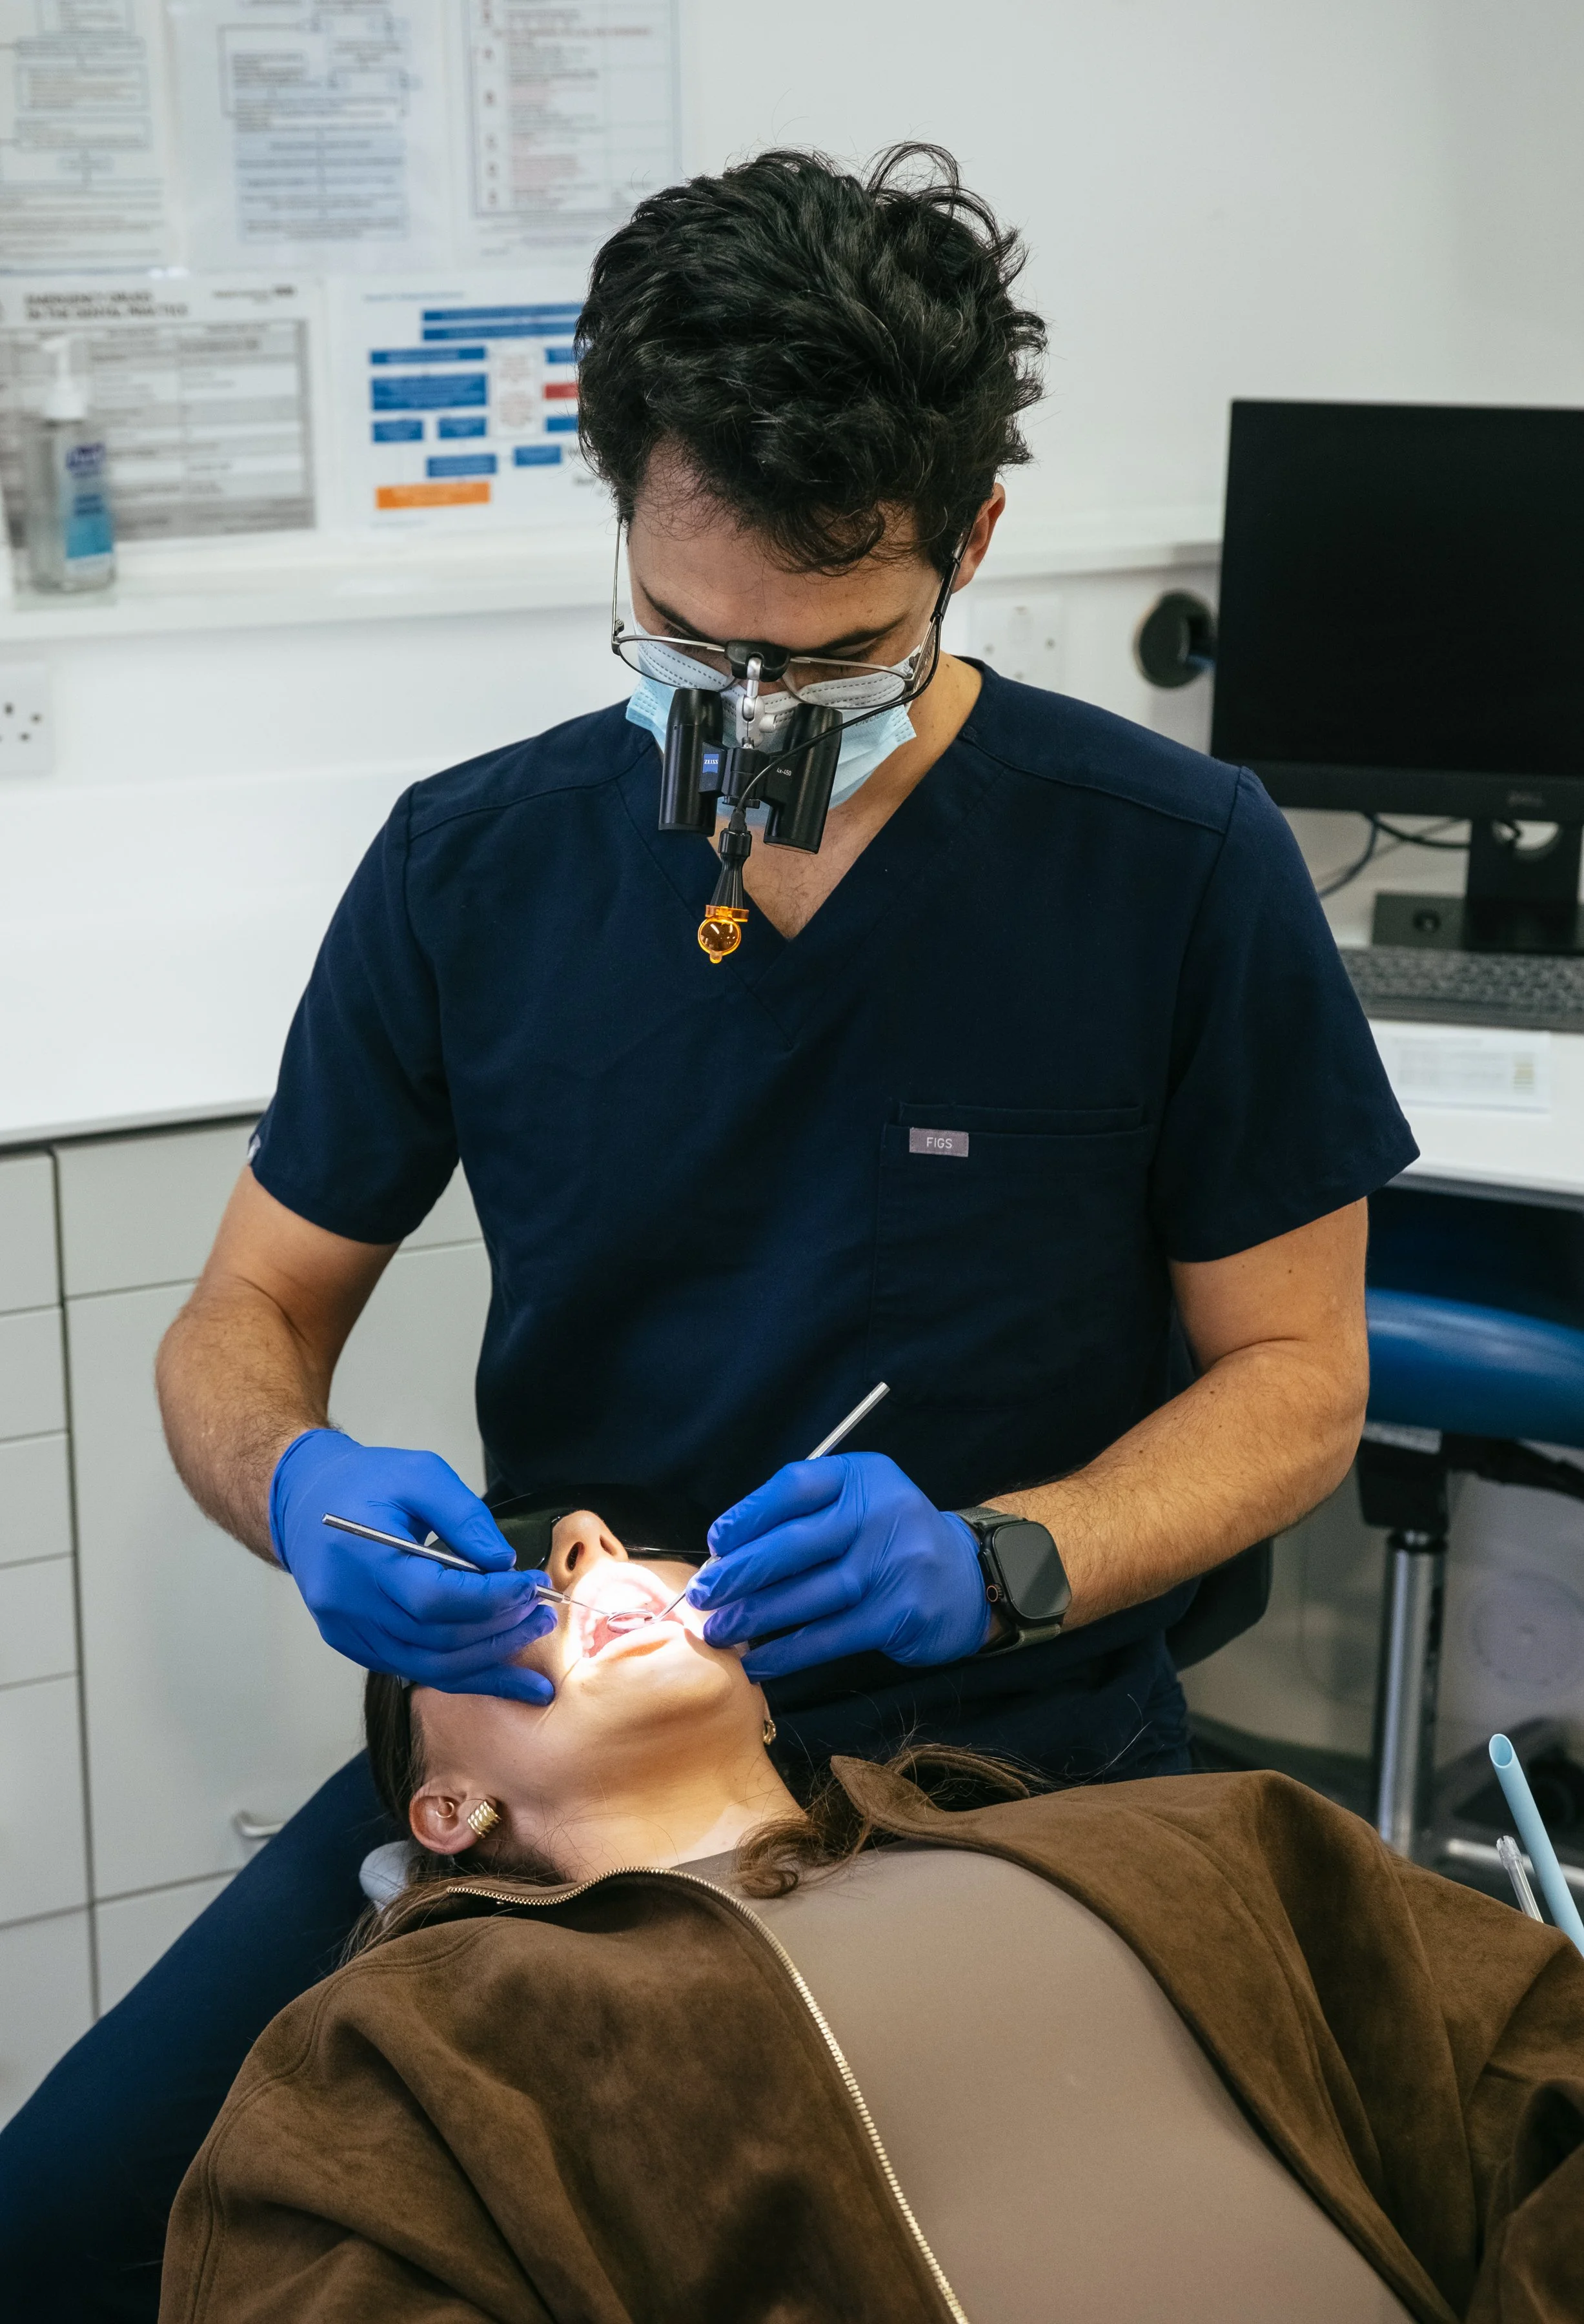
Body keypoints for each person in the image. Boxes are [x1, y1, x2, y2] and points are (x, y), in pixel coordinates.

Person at [1, 144, 1417, 2315]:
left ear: (971, 544)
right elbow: (247, 1311)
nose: (748, 718)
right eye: (684, 640)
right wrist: (290, 1482)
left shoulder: (1174, 868)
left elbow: (1301, 1381)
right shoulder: (473, 870)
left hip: (1000, 1765)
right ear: (620, 521)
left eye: (828, 656)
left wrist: (1002, 1555)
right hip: (547, 1752)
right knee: (71, 2227)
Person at [159, 1507, 1583, 2323]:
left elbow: (1541, 2073)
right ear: (447, 1808)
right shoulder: (417, 2051)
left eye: (612, 1548)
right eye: (522, 1591)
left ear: (762, 1684)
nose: (589, 1546)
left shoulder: (1202, 1838)